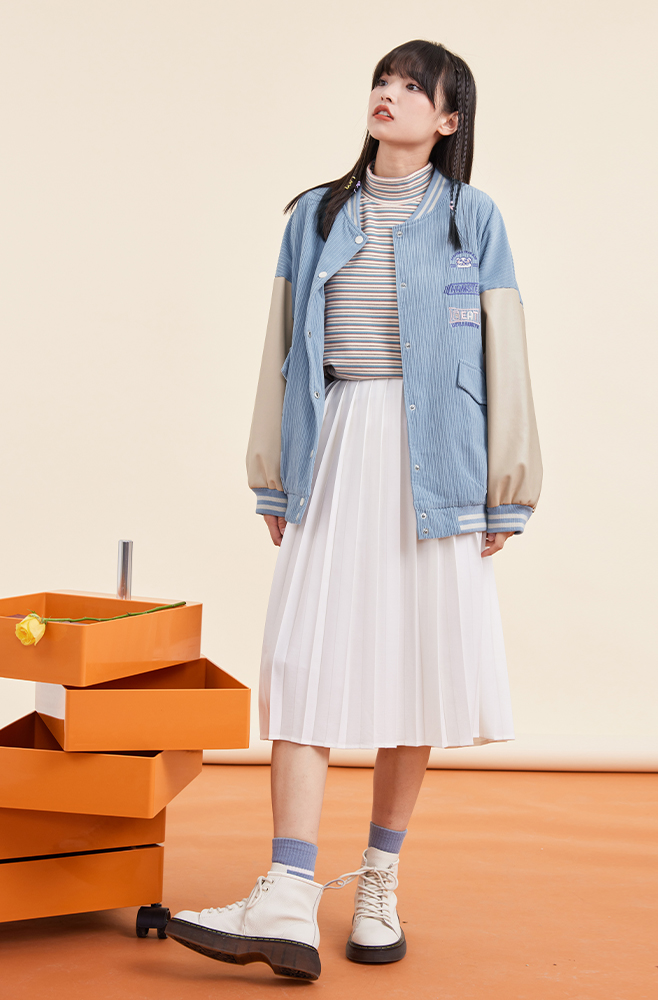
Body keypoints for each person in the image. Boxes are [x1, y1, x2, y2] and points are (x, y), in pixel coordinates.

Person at [167, 38, 542, 981]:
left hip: (439, 461)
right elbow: (280, 348)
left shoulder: (472, 218)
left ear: (447, 119)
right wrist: (274, 473)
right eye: (383, 80)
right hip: (335, 443)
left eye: (413, 87)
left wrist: (507, 486)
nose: (389, 94)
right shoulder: (316, 214)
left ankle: (378, 882)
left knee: (417, 666)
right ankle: (288, 891)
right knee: (303, 656)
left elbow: (505, 350)